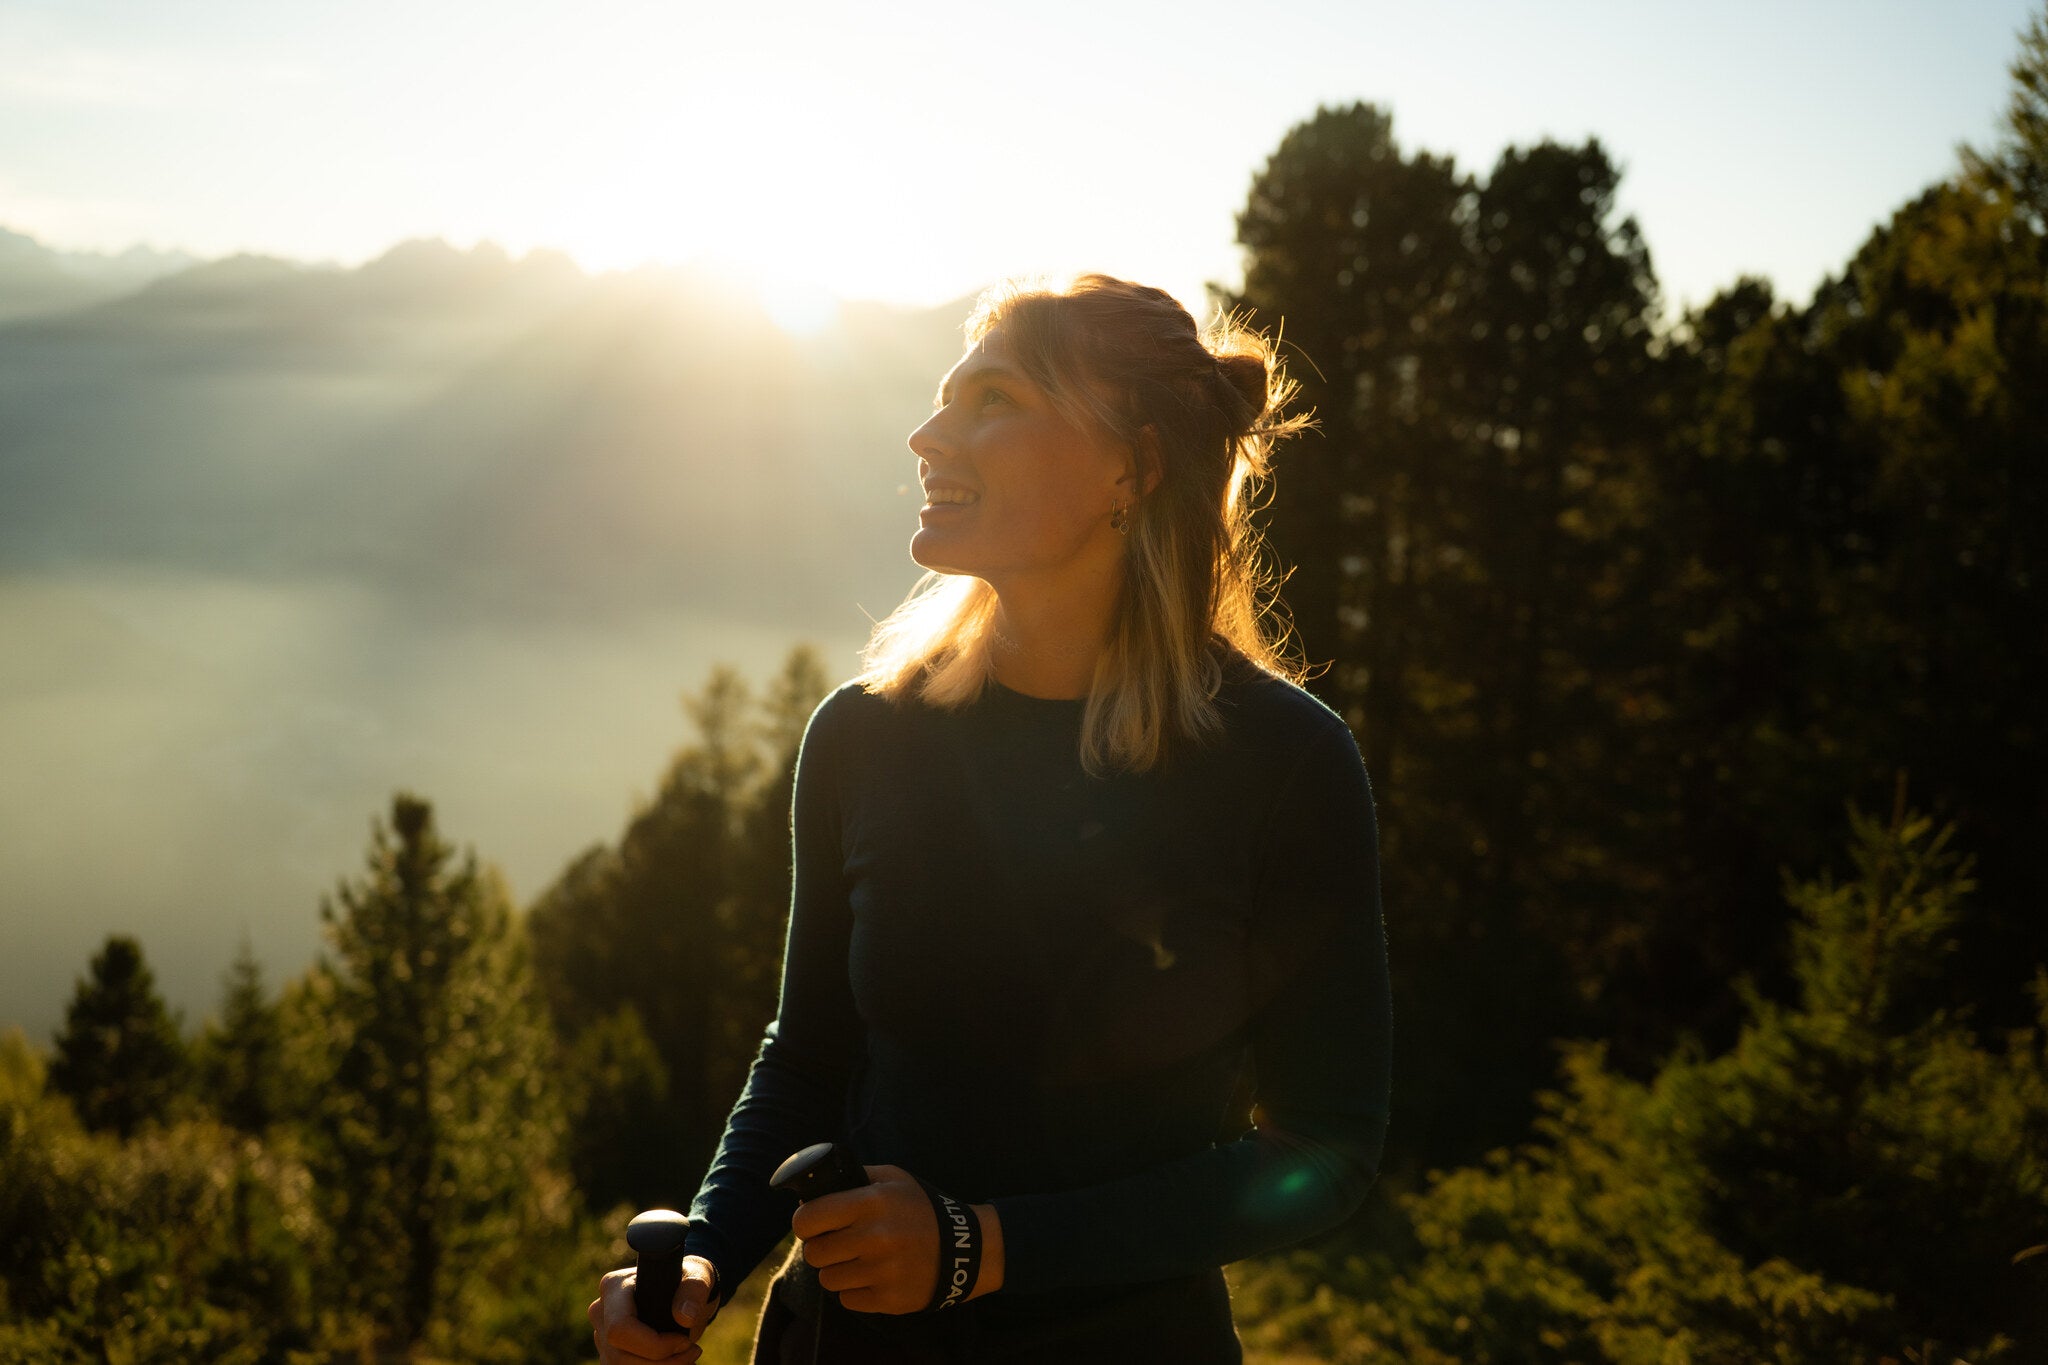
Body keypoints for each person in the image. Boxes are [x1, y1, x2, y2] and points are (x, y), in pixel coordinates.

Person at [590, 273, 1391, 1364]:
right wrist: (706, 1254)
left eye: (993, 402)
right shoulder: (865, 736)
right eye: (942, 398)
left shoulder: (1282, 760)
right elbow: (811, 1056)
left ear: (1133, 466)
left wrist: (984, 1248)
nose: (926, 435)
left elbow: (1325, 1152)